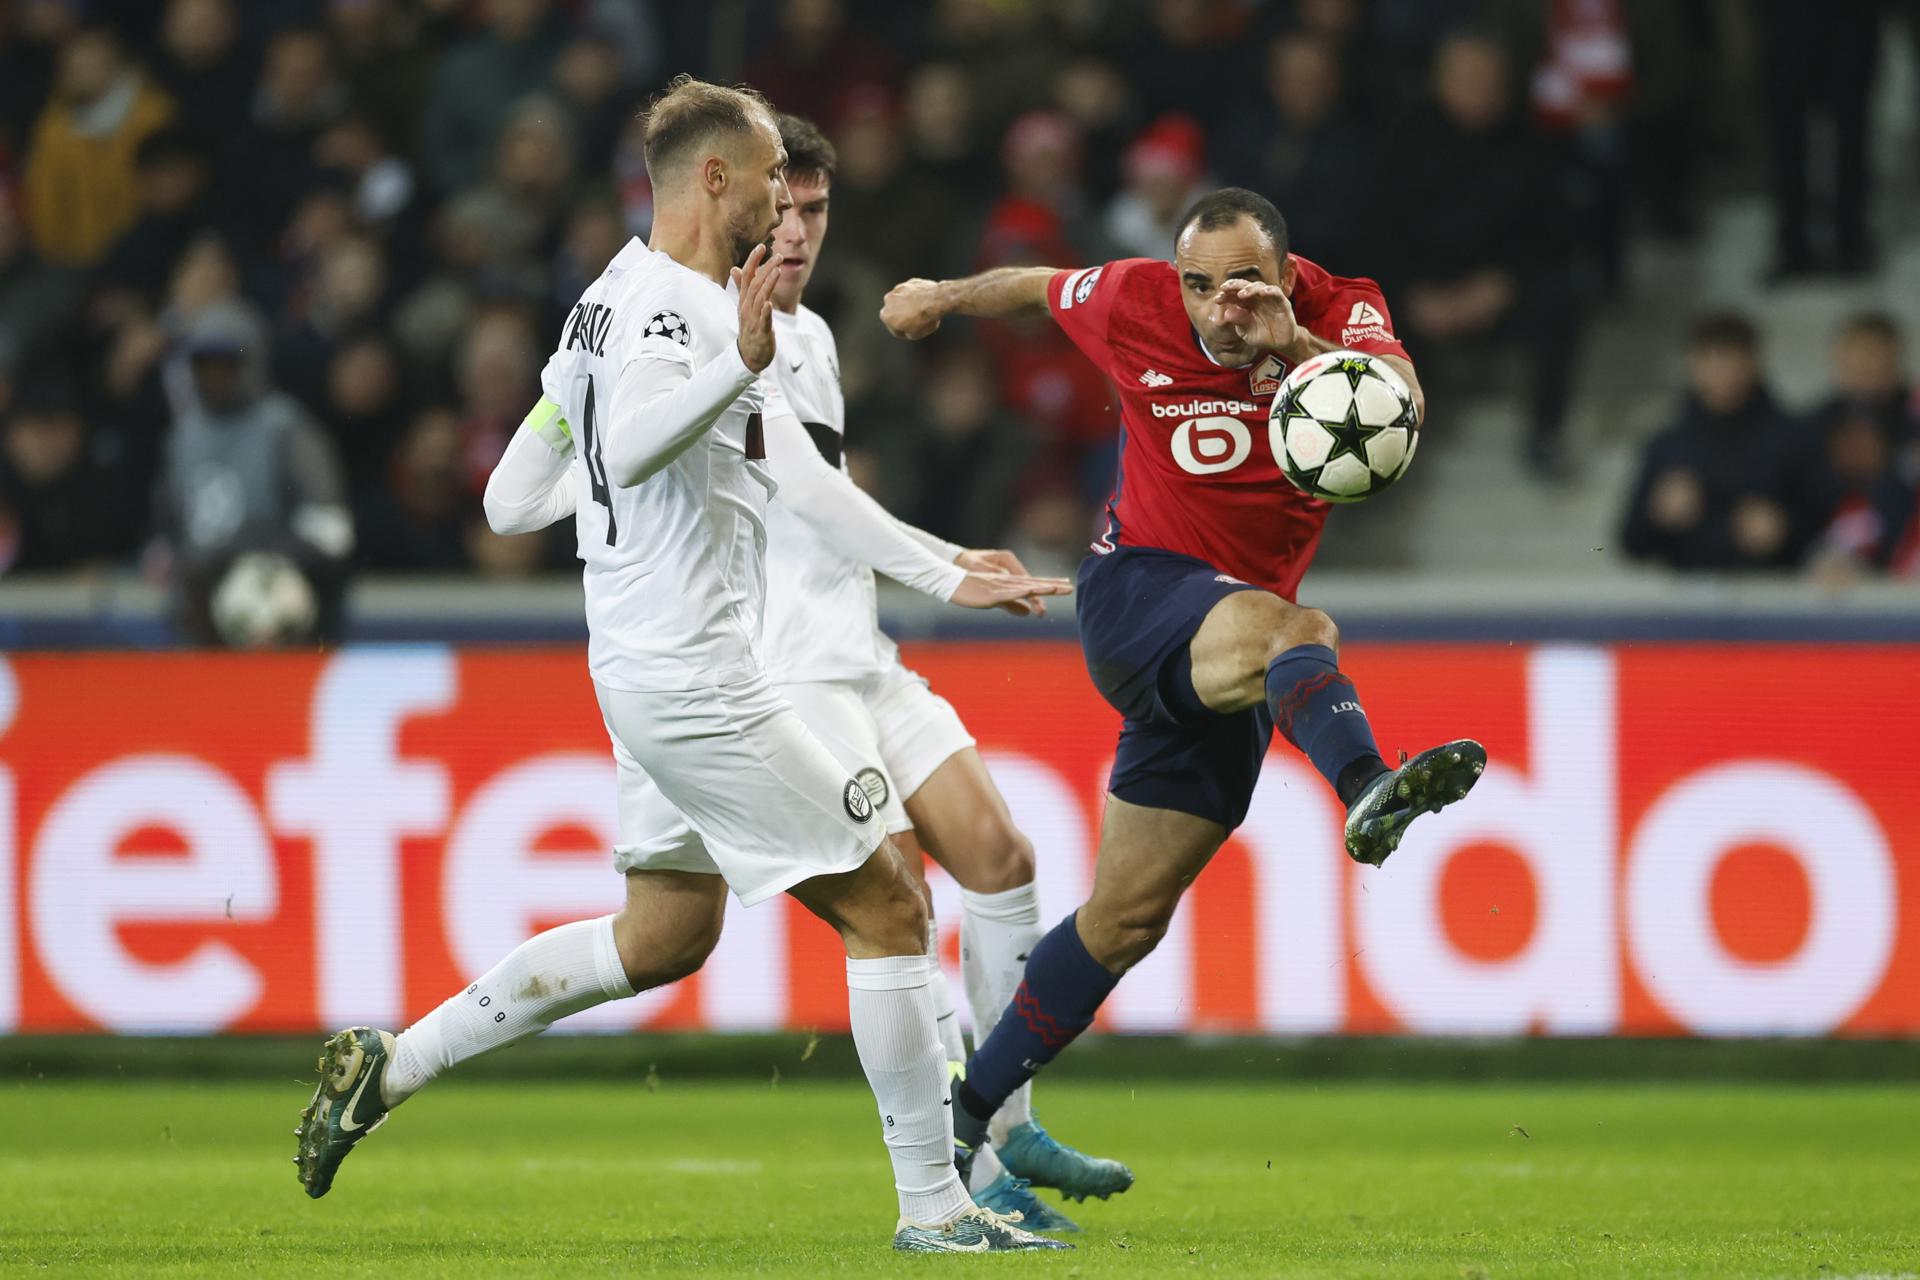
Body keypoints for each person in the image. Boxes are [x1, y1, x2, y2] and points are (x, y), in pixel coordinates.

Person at [293, 75, 1070, 1255]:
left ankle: (393, 1065)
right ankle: (937, 1207)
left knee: (663, 933)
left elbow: (512, 496)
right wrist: (734, 365)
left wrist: (936, 563)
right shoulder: (685, 314)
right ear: (716, 180)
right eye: (769, 177)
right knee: (889, 902)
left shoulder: (601, 302)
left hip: (640, 668)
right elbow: (643, 436)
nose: (785, 202)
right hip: (702, 674)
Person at [880, 187, 1485, 1189]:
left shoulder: (1343, 310)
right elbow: (1033, 282)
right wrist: (941, 295)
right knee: (1304, 629)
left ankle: (969, 1120)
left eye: (1237, 282)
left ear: (1285, 276)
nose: (1212, 305)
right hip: (1136, 592)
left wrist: (1294, 349)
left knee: (1125, 918)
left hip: (1234, 657)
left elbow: (1400, 406)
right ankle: (1369, 781)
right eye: (1197, 283)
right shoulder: (1133, 299)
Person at [756, 112, 1121, 1229]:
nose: (802, 232)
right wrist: (946, 572)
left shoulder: (812, 337)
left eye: (818, 210)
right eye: (784, 211)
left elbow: (832, 506)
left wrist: (943, 557)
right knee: (901, 904)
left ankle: (1003, 1118)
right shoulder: (712, 338)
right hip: (786, 670)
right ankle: (957, 1181)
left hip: (859, 649)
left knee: (1002, 856)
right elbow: (809, 499)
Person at [1618, 313, 1831, 572]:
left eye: (1730, 357)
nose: (1720, 370)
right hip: (1688, 597)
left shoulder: (1794, 437)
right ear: (1691, 364)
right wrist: (1659, 515)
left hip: (1774, 595)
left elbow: (1830, 526)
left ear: (1754, 362)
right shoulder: (1667, 444)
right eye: (1709, 357)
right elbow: (1630, 542)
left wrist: (1784, 528)